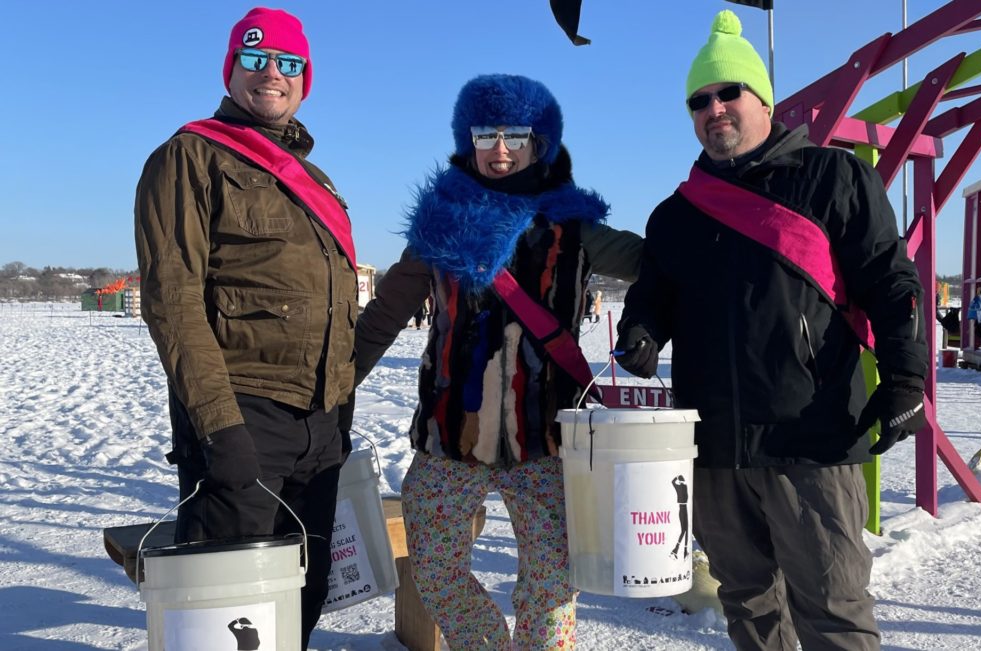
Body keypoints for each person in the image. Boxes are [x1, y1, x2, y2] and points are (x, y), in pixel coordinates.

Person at [614, 11, 927, 651]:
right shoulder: (674, 215)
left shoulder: (834, 178)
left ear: (763, 99)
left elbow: (891, 283)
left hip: (812, 442)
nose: (714, 108)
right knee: (749, 606)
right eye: (699, 100)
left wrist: (906, 378)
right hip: (713, 449)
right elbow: (653, 297)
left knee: (833, 611)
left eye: (728, 92)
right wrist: (641, 330)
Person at [354, 74, 643, 650]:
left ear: (540, 142)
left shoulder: (575, 227)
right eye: (486, 133)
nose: (501, 148)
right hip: (449, 436)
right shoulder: (439, 226)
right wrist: (334, 388)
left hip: (548, 440)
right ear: (469, 140)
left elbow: (660, 265)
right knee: (435, 570)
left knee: (553, 584)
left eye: (516, 134)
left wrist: (646, 322)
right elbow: (384, 316)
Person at [134, 8, 357, 649]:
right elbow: (172, 301)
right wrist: (221, 428)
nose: (272, 73)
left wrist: (340, 408)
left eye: (288, 63)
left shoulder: (316, 180)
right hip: (243, 415)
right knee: (234, 612)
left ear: (305, 78)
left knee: (301, 594)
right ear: (230, 70)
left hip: (320, 424)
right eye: (254, 59)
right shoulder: (190, 156)